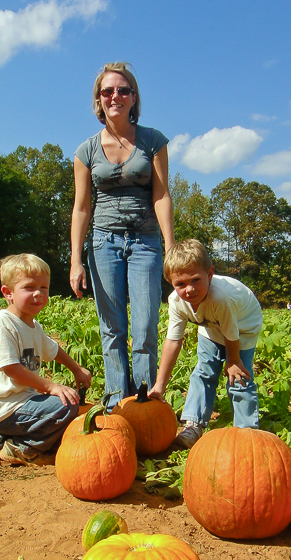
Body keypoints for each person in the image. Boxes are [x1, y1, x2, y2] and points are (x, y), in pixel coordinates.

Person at [70, 61, 174, 409]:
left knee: (144, 326)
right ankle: (116, 400)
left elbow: (161, 195)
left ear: (133, 97)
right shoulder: (86, 151)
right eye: (107, 91)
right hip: (103, 242)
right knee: (112, 328)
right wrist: (74, 261)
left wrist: (170, 248)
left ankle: (143, 403)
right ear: (99, 100)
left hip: (145, 242)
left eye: (123, 90)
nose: (115, 96)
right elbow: (82, 207)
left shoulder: (153, 142)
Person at [0, 253, 91, 465]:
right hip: (6, 408)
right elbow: (11, 368)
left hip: (23, 403)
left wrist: (76, 369)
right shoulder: (3, 324)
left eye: (44, 288)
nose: (38, 293)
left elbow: (54, 350)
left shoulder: (33, 326)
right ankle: (20, 448)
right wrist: (50, 386)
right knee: (66, 406)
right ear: (7, 292)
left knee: (67, 399)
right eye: (29, 288)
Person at [149, 239, 263, 449]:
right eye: (180, 284)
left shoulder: (221, 298)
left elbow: (231, 333)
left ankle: (246, 431)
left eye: (195, 280)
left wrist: (234, 360)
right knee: (203, 372)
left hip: (243, 328)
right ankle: (194, 424)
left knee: (238, 376)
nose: (189, 290)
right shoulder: (176, 301)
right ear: (170, 282)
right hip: (210, 325)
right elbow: (173, 340)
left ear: (209, 274)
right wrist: (160, 385)